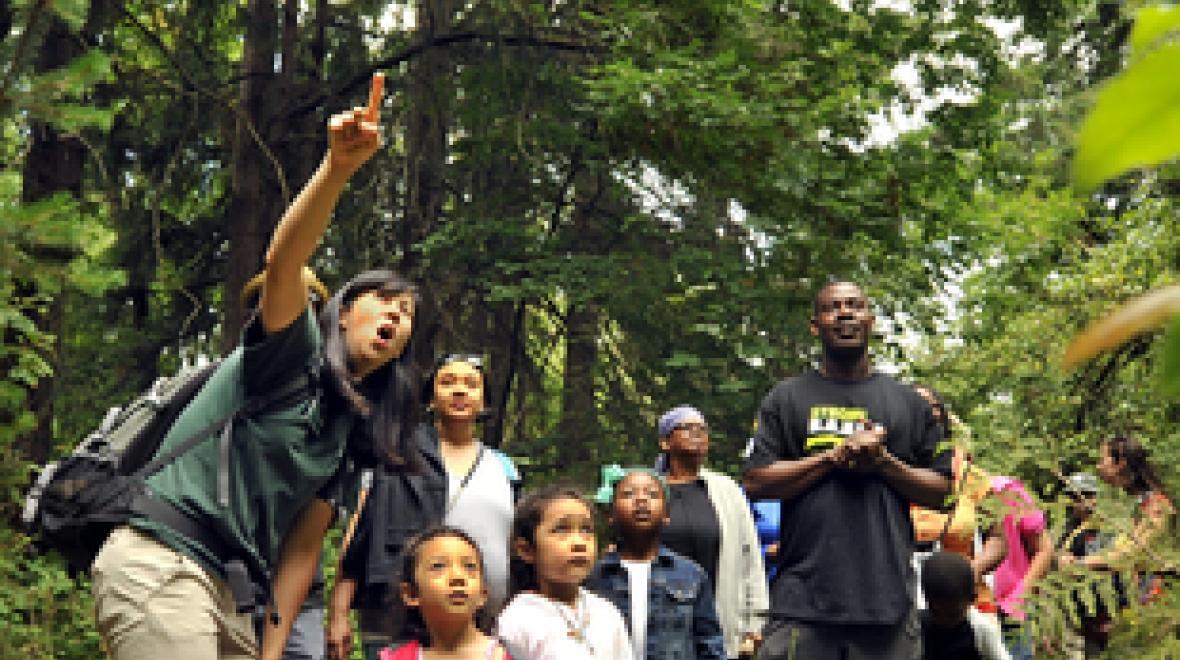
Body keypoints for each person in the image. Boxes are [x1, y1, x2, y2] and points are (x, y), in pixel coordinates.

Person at [90, 73, 423, 660]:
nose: (396, 314)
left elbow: (301, 553)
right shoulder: (291, 353)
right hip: (163, 561)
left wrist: (270, 652)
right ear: (343, 313)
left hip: (234, 597)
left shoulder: (349, 434)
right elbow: (284, 260)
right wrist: (337, 168)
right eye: (384, 301)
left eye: (407, 314)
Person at [742, 279, 952, 660]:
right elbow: (756, 481)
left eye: (854, 305)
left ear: (870, 320)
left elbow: (944, 492)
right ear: (815, 326)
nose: (844, 314)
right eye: (832, 308)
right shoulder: (786, 398)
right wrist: (834, 457)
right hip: (802, 604)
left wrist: (883, 462)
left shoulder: (908, 403)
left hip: (887, 606)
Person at [330, 354, 519, 659]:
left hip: (485, 623)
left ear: (484, 402)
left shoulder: (503, 468)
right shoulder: (397, 458)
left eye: (471, 384)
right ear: (431, 398)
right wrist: (339, 611)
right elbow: (360, 531)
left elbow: (517, 545)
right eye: (448, 382)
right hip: (397, 616)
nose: (460, 390)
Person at [655, 405, 768, 658]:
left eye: (703, 429)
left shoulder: (727, 490)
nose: (697, 433)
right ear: (665, 442)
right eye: (687, 427)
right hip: (661, 623)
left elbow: (750, 557)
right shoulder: (652, 490)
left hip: (719, 620)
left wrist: (755, 622)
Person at [585, 468, 726, 660]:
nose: (641, 500)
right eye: (628, 494)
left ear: (666, 515)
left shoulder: (692, 575)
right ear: (612, 515)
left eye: (652, 494)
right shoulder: (593, 577)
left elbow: (710, 644)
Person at [496, 485, 634, 659]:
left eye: (587, 530)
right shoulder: (518, 620)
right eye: (561, 529)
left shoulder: (606, 612)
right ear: (526, 550)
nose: (579, 543)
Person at [907, 384, 995, 615]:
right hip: (898, 608)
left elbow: (999, 540)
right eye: (916, 405)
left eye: (933, 406)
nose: (926, 411)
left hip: (964, 608)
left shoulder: (972, 477)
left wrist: (967, 576)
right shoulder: (885, 472)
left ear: (943, 417)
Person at [377, 526, 512, 660]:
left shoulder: (506, 655)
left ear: (482, 594)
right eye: (438, 566)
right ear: (411, 594)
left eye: (469, 566)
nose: (458, 577)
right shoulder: (394, 657)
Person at [973, 476, 1052, 660]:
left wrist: (1020, 596)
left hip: (1008, 608)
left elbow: (1043, 549)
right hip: (957, 608)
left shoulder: (1005, 490)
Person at [919, 552, 1010, 660]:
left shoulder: (981, 629)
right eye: (935, 612)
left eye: (953, 615)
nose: (944, 620)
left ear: (971, 599)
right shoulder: (917, 624)